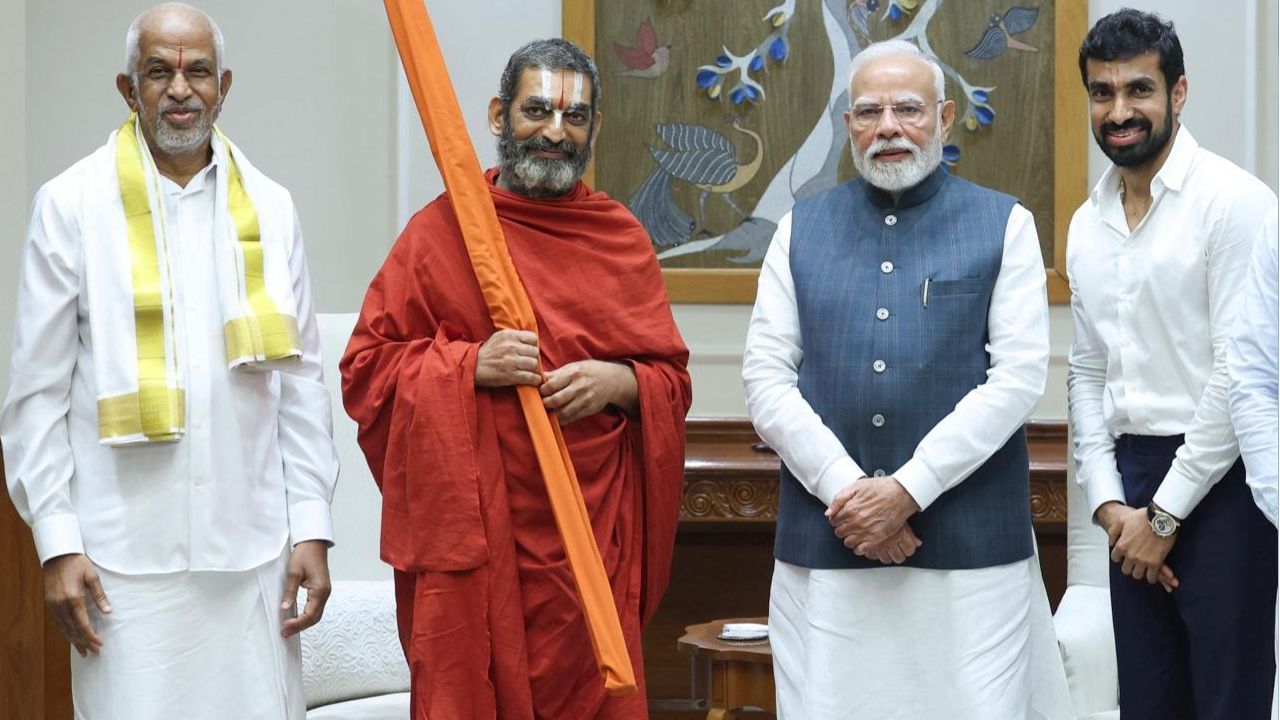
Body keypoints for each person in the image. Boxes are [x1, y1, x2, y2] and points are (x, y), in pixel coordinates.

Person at [1, 3, 337, 718]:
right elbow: (35, 396)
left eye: (198, 72)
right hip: (121, 566)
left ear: (224, 86)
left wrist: (311, 523)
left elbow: (302, 383)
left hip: (252, 557)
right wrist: (57, 542)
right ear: (128, 89)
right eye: (158, 71)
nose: (180, 89)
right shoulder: (71, 204)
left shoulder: (271, 208)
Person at [340, 38, 691, 719]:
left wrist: (618, 382)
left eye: (575, 117)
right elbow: (366, 368)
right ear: (499, 115)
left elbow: (670, 382)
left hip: (591, 543)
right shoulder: (442, 232)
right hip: (478, 541)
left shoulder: (619, 237)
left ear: (595, 127)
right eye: (537, 111)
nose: (556, 132)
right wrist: (470, 365)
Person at [743, 39, 1069, 719]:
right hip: (830, 545)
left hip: (971, 553)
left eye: (908, 109)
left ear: (944, 118)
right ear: (849, 125)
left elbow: (1016, 380)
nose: (888, 126)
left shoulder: (1005, 223)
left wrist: (908, 490)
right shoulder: (799, 228)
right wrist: (851, 493)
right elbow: (766, 378)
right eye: (869, 112)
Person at [1067, 9, 1279, 719]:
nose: (1119, 112)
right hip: (1129, 490)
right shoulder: (1085, 223)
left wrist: (1166, 515)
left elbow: (1240, 373)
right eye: (1102, 93)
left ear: (1178, 93)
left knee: (1227, 704)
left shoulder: (1235, 203)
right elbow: (1086, 372)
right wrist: (1109, 503)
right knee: (1147, 705)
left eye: (1139, 90)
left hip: (1224, 485)